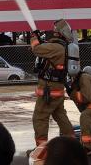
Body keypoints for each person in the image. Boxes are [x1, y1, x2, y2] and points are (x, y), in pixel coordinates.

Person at [29, 19, 75, 148]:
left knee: (40, 117)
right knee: (60, 115)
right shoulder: (61, 47)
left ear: (57, 33)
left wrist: (34, 37)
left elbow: (36, 49)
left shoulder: (55, 47)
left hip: (48, 90)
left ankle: (41, 150)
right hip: (57, 89)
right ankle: (71, 145)